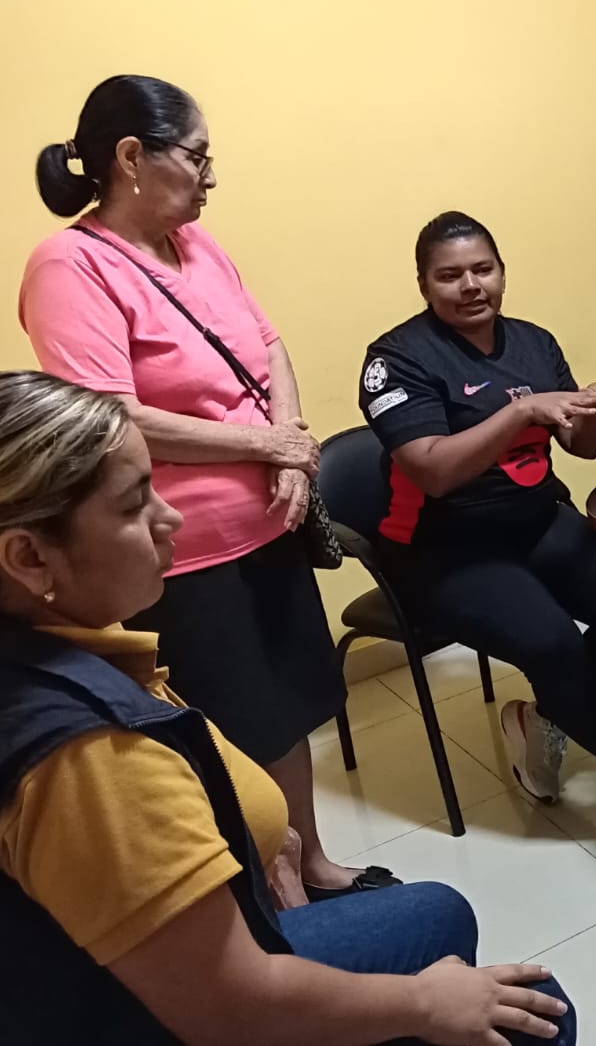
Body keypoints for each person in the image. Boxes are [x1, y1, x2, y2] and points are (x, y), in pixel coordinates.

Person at [0, 371, 575, 1046]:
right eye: (134, 504)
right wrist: (424, 1004)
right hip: (151, 1017)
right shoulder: (92, 757)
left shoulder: (30, 656)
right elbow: (228, 1012)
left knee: (438, 912)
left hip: (116, 972)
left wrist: (256, 851)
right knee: (541, 1014)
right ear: (28, 557)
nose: (170, 518)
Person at [19, 74, 381, 899]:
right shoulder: (69, 266)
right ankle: (273, 900)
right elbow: (112, 417)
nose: (210, 176)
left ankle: (311, 861)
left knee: (289, 706)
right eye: (197, 156)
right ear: (131, 157)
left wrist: (288, 447)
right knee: (230, 729)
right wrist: (267, 443)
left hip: (271, 527)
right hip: (183, 555)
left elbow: (268, 345)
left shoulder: (198, 244)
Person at [358, 211, 596, 840]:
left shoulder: (533, 342)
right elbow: (432, 472)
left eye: (483, 269)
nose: (471, 285)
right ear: (424, 285)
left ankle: (545, 718)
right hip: (443, 548)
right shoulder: (397, 359)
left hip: (533, 522)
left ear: (502, 272)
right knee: (554, 644)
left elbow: (582, 448)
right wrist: (523, 411)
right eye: (450, 276)